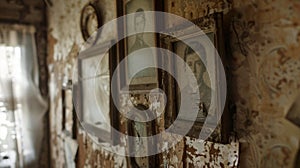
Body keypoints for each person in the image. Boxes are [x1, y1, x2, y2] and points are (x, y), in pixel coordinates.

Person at [182, 41, 211, 122]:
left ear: (204, 66)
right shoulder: (180, 96)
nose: (193, 70)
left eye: (198, 63)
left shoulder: (212, 95)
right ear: (184, 67)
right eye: (190, 64)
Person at [127, 8, 155, 80]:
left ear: (144, 24)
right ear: (135, 26)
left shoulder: (148, 48)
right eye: (137, 24)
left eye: (142, 23)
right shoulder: (132, 50)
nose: (140, 27)